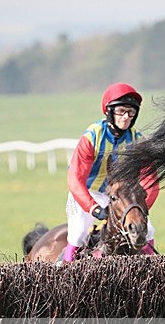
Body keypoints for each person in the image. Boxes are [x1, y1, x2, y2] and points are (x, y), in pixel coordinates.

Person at [62, 82, 159, 262]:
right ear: (109, 112)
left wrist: (139, 207)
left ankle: (153, 268)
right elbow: (75, 179)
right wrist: (93, 207)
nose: (126, 117)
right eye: (121, 111)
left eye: (131, 112)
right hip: (88, 192)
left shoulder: (138, 140)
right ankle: (65, 271)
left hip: (121, 196)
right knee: (79, 232)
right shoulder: (92, 136)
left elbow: (150, 182)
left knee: (148, 230)